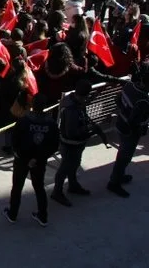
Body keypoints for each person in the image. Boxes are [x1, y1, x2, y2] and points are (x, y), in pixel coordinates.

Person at [3, 93, 59, 227]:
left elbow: (14, 140)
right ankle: (43, 215)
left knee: (17, 187)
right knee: (39, 187)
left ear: (32, 105)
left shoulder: (24, 121)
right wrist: (39, 158)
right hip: (39, 161)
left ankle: (13, 213)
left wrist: (22, 156)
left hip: (22, 160)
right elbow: (54, 145)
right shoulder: (51, 123)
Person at [51, 79, 107, 207]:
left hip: (76, 144)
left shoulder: (74, 100)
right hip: (70, 144)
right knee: (64, 168)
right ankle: (57, 192)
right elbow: (72, 133)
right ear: (83, 95)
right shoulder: (72, 109)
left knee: (75, 164)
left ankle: (73, 184)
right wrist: (91, 132)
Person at [107, 62, 149, 198]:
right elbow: (135, 121)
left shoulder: (129, 85)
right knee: (124, 157)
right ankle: (114, 183)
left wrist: (123, 112)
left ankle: (120, 175)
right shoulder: (143, 100)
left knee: (122, 155)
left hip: (120, 124)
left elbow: (117, 99)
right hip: (130, 132)